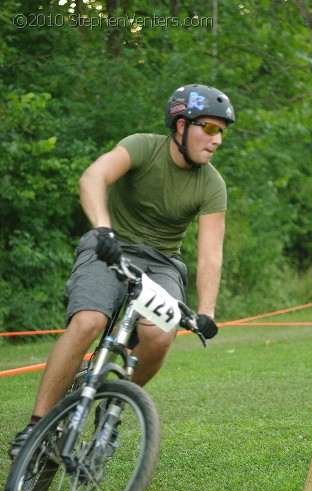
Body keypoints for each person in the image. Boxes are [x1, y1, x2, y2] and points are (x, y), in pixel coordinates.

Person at [9, 83, 235, 458]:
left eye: (222, 132)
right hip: (111, 247)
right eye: (210, 128)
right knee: (88, 322)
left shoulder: (212, 184)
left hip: (162, 264)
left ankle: (112, 405)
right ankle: (35, 425)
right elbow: (92, 178)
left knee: (161, 336)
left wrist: (207, 311)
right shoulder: (142, 146)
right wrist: (102, 228)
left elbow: (211, 253)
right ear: (181, 125)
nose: (217, 140)